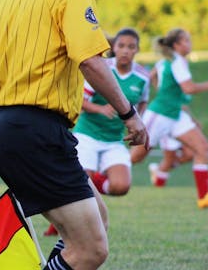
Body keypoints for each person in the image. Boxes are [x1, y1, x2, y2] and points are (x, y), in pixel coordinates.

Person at [0, 0, 148, 270]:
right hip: (37, 128)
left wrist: (0, 128)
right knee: (90, 248)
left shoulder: (3, 2)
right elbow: (90, 61)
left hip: (4, 126)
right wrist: (129, 114)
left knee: (96, 222)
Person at [43, 28, 150, 237]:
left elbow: (143, 100)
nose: (125, 51)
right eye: (121, 46)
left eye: (131, 47)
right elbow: (79, 100)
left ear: (137, 50)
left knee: (121, 186)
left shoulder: (142, 77)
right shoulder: (102, 69)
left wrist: (138, 121)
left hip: (114, 140)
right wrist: (101, 109)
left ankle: (91, 180)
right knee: (81, 185)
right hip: (87, 135)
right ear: (114, 48)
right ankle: (60, 224)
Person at [130, 28, 208, 209]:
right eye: (186, 41)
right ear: (176, 45)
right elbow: (188, 88)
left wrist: (163, 89)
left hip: (175, 114)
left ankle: (204, 197)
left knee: (201, 147)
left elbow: (152, 77)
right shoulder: (176, 62)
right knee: (135, 157)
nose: (189, 44)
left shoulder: (168, 61)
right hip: (160, 114)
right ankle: (97, 179)